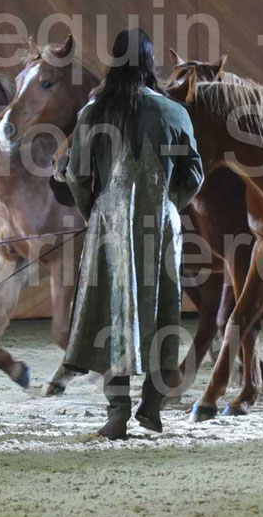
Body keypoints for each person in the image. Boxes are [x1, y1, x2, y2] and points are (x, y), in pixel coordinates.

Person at [62, 28, 204, 439]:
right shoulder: (173, 112)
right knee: (162, 310)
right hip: (159, 224)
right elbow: (194, 174)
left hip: (109, 223)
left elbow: (76, 174)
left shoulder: (94, 111)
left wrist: (95, 210)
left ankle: (117, 411)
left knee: (112, 311)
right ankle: (153, 405)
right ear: (150, 62)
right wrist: (167, 206)